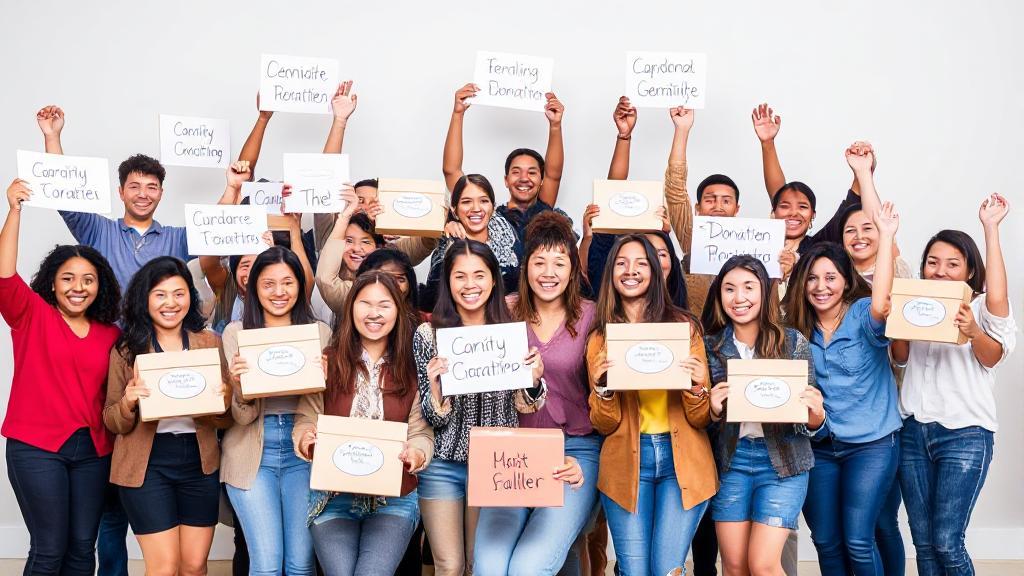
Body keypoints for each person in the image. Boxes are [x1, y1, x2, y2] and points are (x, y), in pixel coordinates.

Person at [1, 178, 121, 575]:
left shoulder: (111, 334)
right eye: (68, 278)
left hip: (92, 452)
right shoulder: (31, 314)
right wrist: (15, 210)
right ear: (52, 281)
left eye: (88, 279)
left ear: (99, 285)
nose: (78, 287)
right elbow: (4, 275)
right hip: (37, 447)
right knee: (49, 549)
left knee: (83, 549)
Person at [781, 183, 902, 575]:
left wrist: (886, 237)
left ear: (845, 279)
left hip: (871, 445)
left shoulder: (864, 311)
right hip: (820, 447)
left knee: (858, 540)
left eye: (830, 277)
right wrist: (774, 274)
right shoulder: (797, 328)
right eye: (813, 279)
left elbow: (884, 303)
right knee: (827, 543)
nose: (821, 287)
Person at [892, 194, 1015, 576]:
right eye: (933, 262)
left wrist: (991, 228)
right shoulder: (916, 305)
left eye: (952, 264)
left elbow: (992, 355)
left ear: (968, 271)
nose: (940, 270)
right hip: (913, 431)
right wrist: (897, 318)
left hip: (965, 434)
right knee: (924, 543)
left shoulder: (979, 307)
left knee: (948, 541)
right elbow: (899, 358)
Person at [586, 234, 717, 575]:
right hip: (626, 465)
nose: (631, 271)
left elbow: (701, 418)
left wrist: (698, 387)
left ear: (656, 272)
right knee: (633, 571)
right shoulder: (600, 338)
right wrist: (602, 389)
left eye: (641, 262)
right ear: (611, 273)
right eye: (621, 263)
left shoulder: (683, 328)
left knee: (667, 570)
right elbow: (604, 425)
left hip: (683, 462)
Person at [414, 239, 547, 575]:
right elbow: (432, 417)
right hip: (443, 464)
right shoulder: (428, 335)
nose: (469, 285)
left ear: (493, 280)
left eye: (479, 275)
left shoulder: (513, 331)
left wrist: (533, 379)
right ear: (447, 281)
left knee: (478, 563)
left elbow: (526, 405)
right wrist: (436, 388)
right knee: (449, 564)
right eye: (460, 276)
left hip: (495, 463)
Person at [473, 213, 594, 575]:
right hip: (512, 452)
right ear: (525, 267)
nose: (548, 272)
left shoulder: (592, 317)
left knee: (529, 566)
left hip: (573, 452)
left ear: (573, 269)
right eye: (539, 262)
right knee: (490, 567)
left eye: (559, 262)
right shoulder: (503, 312)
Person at [293, 273, 434, 576]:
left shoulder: (412, 367)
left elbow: (421, 432)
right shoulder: (328, 361)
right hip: (332, 498)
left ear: (397, 311)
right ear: (351, 308)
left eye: (384, 305)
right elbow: (306, 418)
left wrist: (417, 454)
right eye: (365, 304)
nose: (374, 313)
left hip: (393, 498)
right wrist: (307, 439)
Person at [102, 257, 230, 576]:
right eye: (160, 294)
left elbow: (227, 421)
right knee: (163, 567)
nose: (170, 303)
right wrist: (129, 402)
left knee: (194, 566)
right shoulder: (127, 349)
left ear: (190, 296)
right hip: (147, 465)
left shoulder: (210, 344)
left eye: (179, 293)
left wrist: (224, 401)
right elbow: (112, 421)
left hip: (200, 462)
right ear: (144, 299)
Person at [702, 255, 826, 576]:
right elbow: (699, 420)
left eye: (748, 287)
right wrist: (712, 410)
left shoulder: (792, 342)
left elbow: (809, 423)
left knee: (763, 564)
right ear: (719, 296)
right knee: (734, 566)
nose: (739, 298)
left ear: (764, 292)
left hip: (784, 463)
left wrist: (816, 414)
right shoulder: (710, 347)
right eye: (729, 289)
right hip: (732, 462)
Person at [220, 246, 332, 575]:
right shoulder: (236, 334)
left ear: (300, 285)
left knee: (300, 563)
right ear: (254, 287)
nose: (279, 292)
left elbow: (324, 409)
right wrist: (238, 386)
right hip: (251, 451)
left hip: (304, 451)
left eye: (288, 282)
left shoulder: (320, 334)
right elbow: (240, 416)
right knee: (267, 563)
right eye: (268, 284)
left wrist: (326, 382)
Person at [837, 142, 912, 575]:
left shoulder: (895, 274)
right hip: (850, 417)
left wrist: (864, 173)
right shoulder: (833, 286)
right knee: (858, 525)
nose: (859, 236)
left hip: (889, 412)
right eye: (850, 232)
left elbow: (881, 231)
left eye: (867, 230)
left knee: (883, 520)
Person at [580, 101, 697, 313]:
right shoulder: (606, 299)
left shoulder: (683, 323)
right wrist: (624, 137)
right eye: (627, 261)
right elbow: (611, 200)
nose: (648, 262)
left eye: (659, 255)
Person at [442, 83, 567, 240]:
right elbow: (451, 171)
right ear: (506, 180)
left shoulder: (544, 212)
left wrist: (555, 125)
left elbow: (554, 175)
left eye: (532, 172)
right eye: (516, 172)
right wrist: (457, 114)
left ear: (542, 180)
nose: (524, 178)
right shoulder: (490, 217)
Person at [750, 103, 864, 258]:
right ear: (773, 212)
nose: (793, 213)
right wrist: (767, 143)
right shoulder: (757, 246)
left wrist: (862, 170)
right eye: (785, 206)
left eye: (803, 207)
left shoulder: (819, 248)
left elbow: (851, 203)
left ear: (812, 215)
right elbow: (779, 195)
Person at [419, 175, 521, 310]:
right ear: (454, 211)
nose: (476, 208)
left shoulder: (506, 231)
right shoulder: (448, 248)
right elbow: (435, 301)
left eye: (484, 201)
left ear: (493, 207)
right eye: (466, 202)